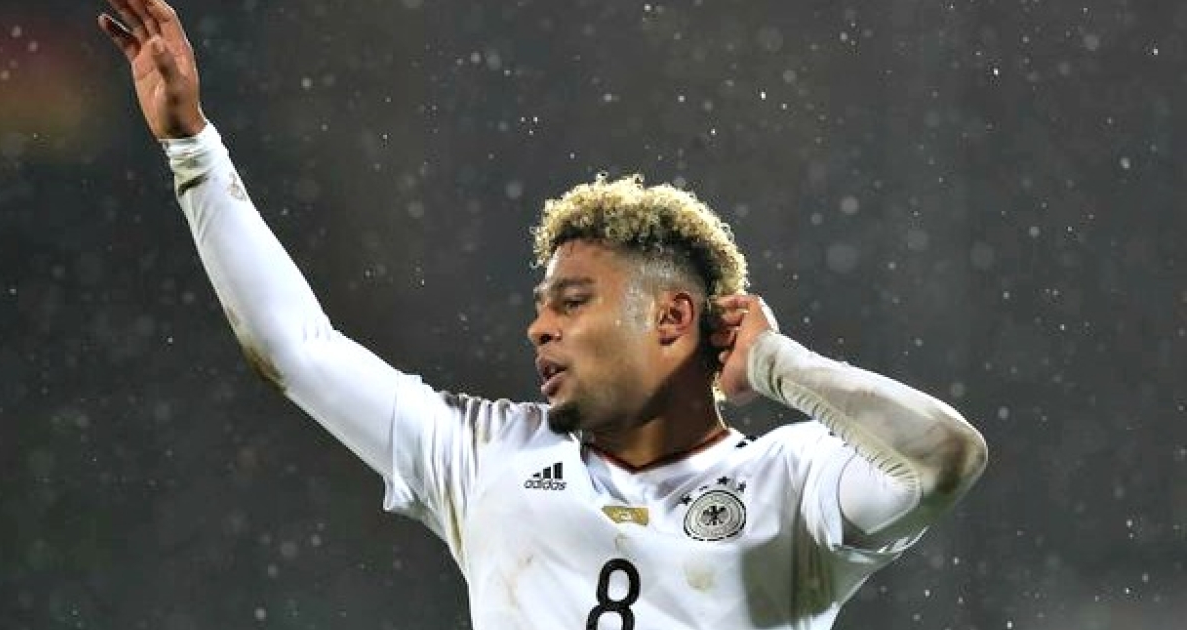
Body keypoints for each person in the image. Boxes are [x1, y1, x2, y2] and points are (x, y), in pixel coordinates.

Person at [99, 1, 988, 628]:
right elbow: (297, 349)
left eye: (572, 301)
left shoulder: (789, 486)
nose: (538, 328)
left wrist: (776, 363)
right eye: (541, 307)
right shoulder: (484, 454)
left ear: (671, 319)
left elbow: (945, 457)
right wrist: (192, 149)